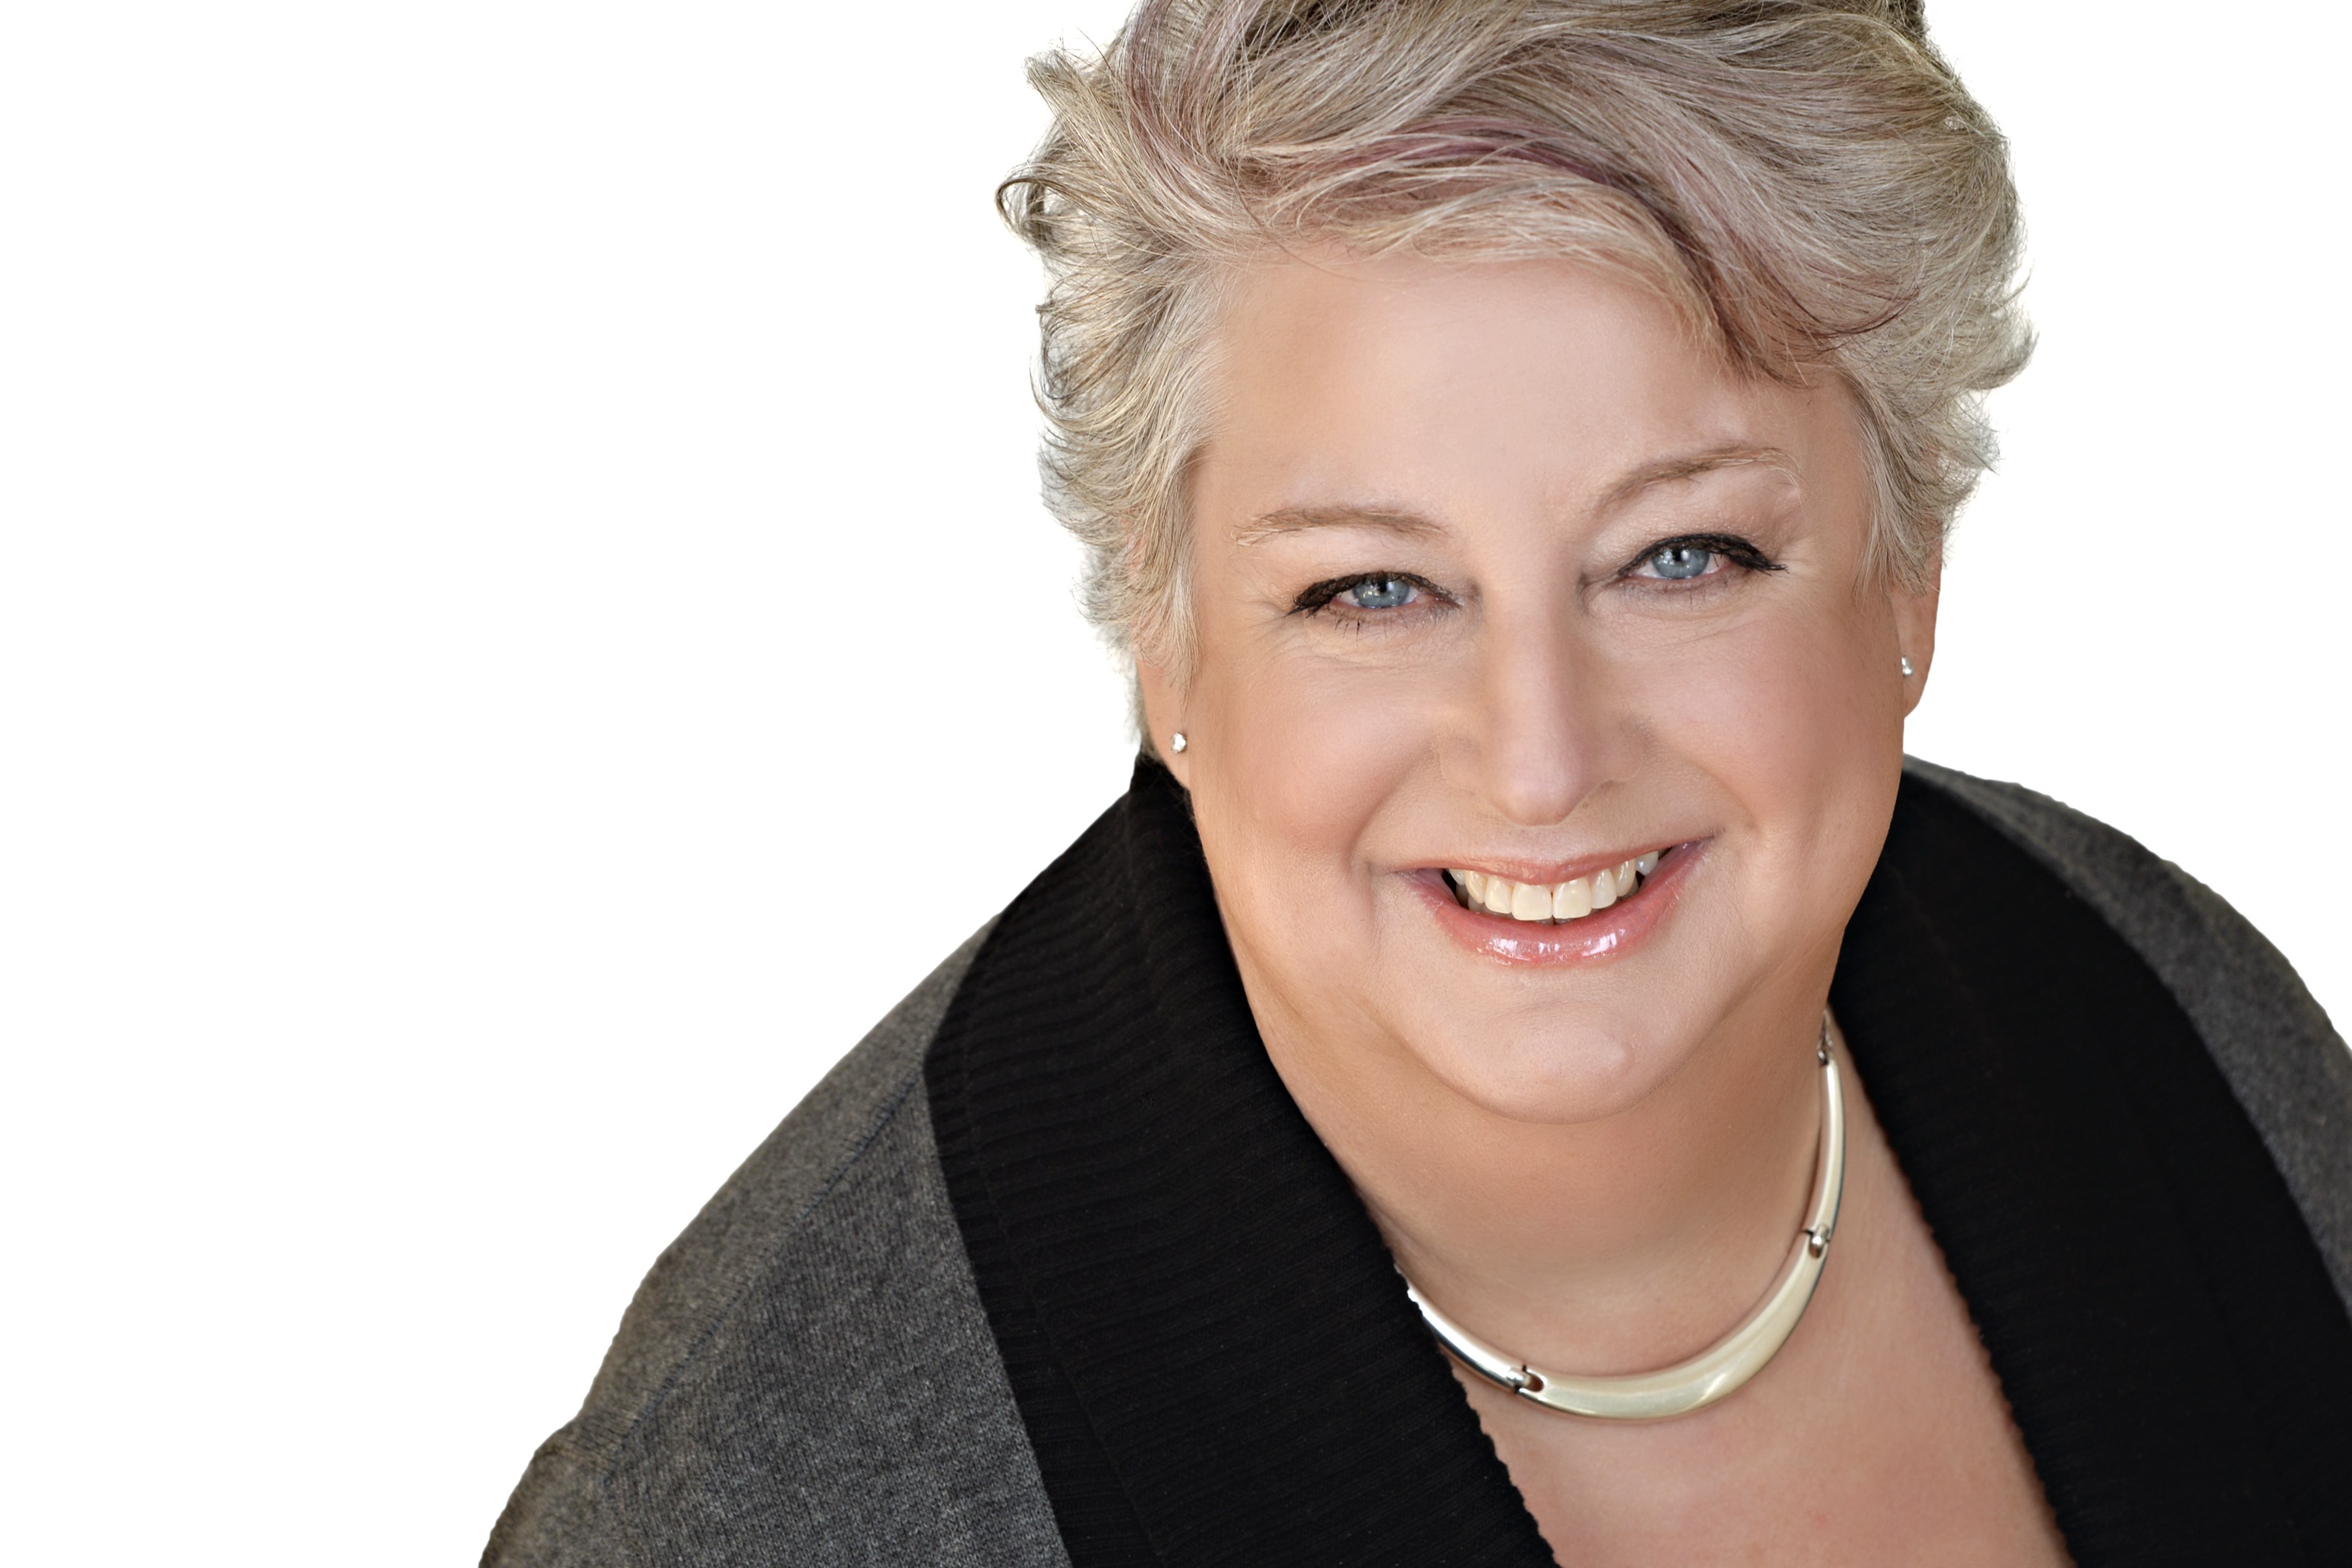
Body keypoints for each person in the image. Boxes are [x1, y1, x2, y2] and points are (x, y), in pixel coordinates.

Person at [482, 1, 2352, 1561]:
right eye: (1370, 589)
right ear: (1163, 640)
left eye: (1683, 555)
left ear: (1909, 574)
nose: (1539, 761)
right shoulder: (762, 1504)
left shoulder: (2176, 1017)